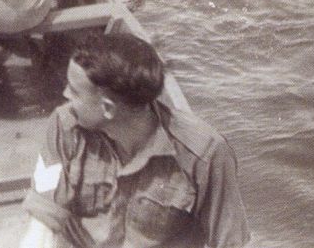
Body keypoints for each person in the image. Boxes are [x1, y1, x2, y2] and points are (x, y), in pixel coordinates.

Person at [20, 32, 251, 248]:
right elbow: (43, 215)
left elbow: (230, 243)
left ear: (108, 109)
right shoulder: (64, 125)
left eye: (75, 91)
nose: (65, 97)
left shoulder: (205, 154)